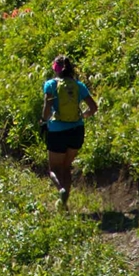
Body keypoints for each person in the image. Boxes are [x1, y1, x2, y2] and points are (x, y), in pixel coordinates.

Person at [41, 55, 98, 209]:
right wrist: (82, 116)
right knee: (66, 167)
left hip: (57, 132)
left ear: (55, 69)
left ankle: (61, 190)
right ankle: (64, 204)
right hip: (77, 131)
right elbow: (93, 108)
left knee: (53, 169)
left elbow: (46, 115)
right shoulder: (79, 86)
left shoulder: (50, 85)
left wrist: (46, 115)